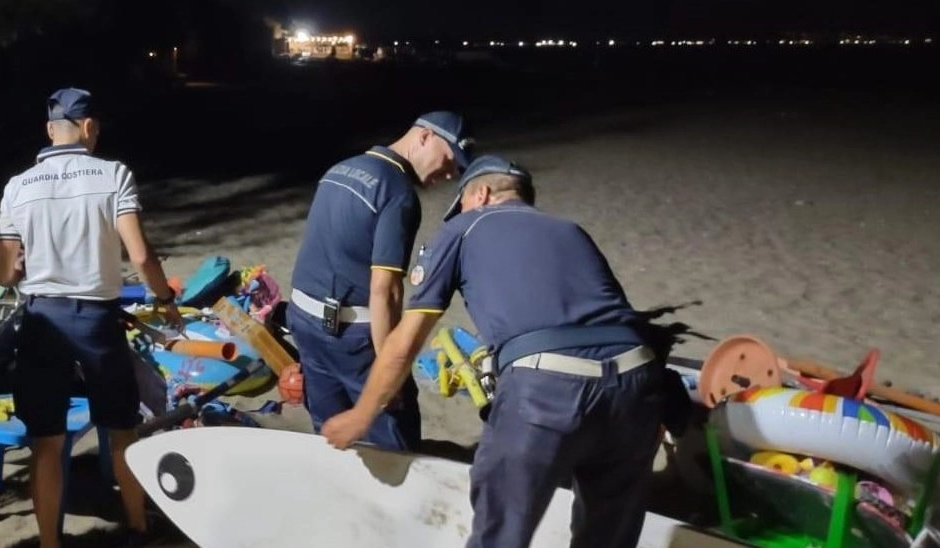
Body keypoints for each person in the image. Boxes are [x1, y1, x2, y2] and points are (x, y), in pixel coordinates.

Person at [322, 155, 688, 547]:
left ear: (479, 194)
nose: (459, 212)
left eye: (460, 202)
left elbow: (404, 343)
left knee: (500, 536)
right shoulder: (571, 230)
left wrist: (362, 415)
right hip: (637, 386)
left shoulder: (464, 227)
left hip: (548, 388)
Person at [0, 87, 184, 548]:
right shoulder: (113, 174)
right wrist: (164, 300)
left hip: (41, 322)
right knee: (121, 431)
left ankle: (48, 543)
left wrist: (19, 268)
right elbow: (139, 253)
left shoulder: (18, 185)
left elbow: (3, 271)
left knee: (47, 441)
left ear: (48, 130)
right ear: (89, 127)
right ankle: (137, 527)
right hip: (97, 322)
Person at [288, 111, 473, 452]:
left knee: (332, 438)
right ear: (424, 137)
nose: (448, 174)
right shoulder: (398, 193)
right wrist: (390, 373)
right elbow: (385, 290)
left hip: (304, 319)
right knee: (393, 444)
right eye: (449, 160)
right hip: (353, 337)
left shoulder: (340, 168)